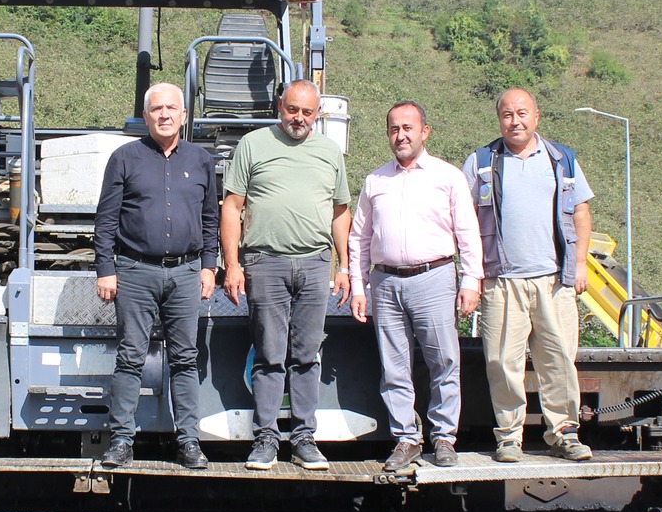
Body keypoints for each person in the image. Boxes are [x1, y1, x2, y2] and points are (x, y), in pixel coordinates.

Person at [220, 80, 353, 471]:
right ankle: (265, 439)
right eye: (292, 109)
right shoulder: (254, 144)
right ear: (281, 106)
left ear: (318, 114)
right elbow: (232, 207)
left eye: (307, 112)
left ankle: (304, 439)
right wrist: (233, 264)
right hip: (266, 263)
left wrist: (344, 266)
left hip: (315, 265)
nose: (298, 118)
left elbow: (340, 211)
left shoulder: (329, 152)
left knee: (306, 356)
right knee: (268, 355)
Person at [460, 88, 595, 463]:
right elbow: (462, 216)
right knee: (503, 362)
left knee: (559, 360)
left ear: (536, 116)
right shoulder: (482, 161)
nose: (515, 121)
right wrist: (472, 275)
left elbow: (581, 213)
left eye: (522, 113)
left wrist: (580, 263)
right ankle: (508, 437)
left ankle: (564, 433)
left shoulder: (561, 159)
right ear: (498, 119)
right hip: (501, 283)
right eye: (507, 114)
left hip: (553, 281)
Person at [349, 101, 483, 472]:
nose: (401, 135)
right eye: (394, 129)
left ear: (424, 132)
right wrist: (359, 287)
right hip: (386, 281)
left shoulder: (448, 176)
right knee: (394, 367)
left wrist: (471, 280)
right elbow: (358, 238)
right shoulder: (376, 181)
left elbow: (468, 232)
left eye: (408, 128)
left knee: (443, 360)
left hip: (434, 277)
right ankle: (406, 438)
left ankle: (443, 438)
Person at [93, 82, 218, 470]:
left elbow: (210, 218)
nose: (164, 114)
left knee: (185, 359)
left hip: (185, 272)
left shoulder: (201, 160)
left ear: (183, 115)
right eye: (156, 109)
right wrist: (106, 269)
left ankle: (189, 443)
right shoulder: (125, 158)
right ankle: (121, 441)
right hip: (134, 271)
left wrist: (209, 265)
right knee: (130, 357)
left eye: (171, 108)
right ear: (145, 116)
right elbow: (106, 219)